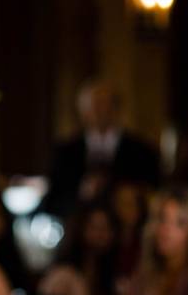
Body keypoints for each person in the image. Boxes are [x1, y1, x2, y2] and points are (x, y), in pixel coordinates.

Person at [39, 81, 159, 220]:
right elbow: (52, 202)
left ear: (118, 109)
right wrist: (81, 192)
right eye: (96, 105)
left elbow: (153, 195)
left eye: (107, 104)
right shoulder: (65, 152)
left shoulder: (143, 152)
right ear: (83, 111)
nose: (102, 110)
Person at [39, 201, 122, 295]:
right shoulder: (64, 274)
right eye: (94, 227)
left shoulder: (111, 274)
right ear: (81, 229)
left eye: (106, 228)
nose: (101, 235)